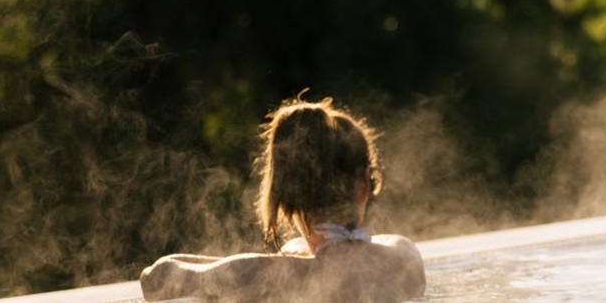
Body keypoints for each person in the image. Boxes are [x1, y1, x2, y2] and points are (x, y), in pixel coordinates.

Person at [141, 96, 426, 302]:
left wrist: (264, 262)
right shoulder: (403, 257)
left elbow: (155, 281)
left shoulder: (268, 274)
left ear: (285, 192)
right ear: (364, 184)